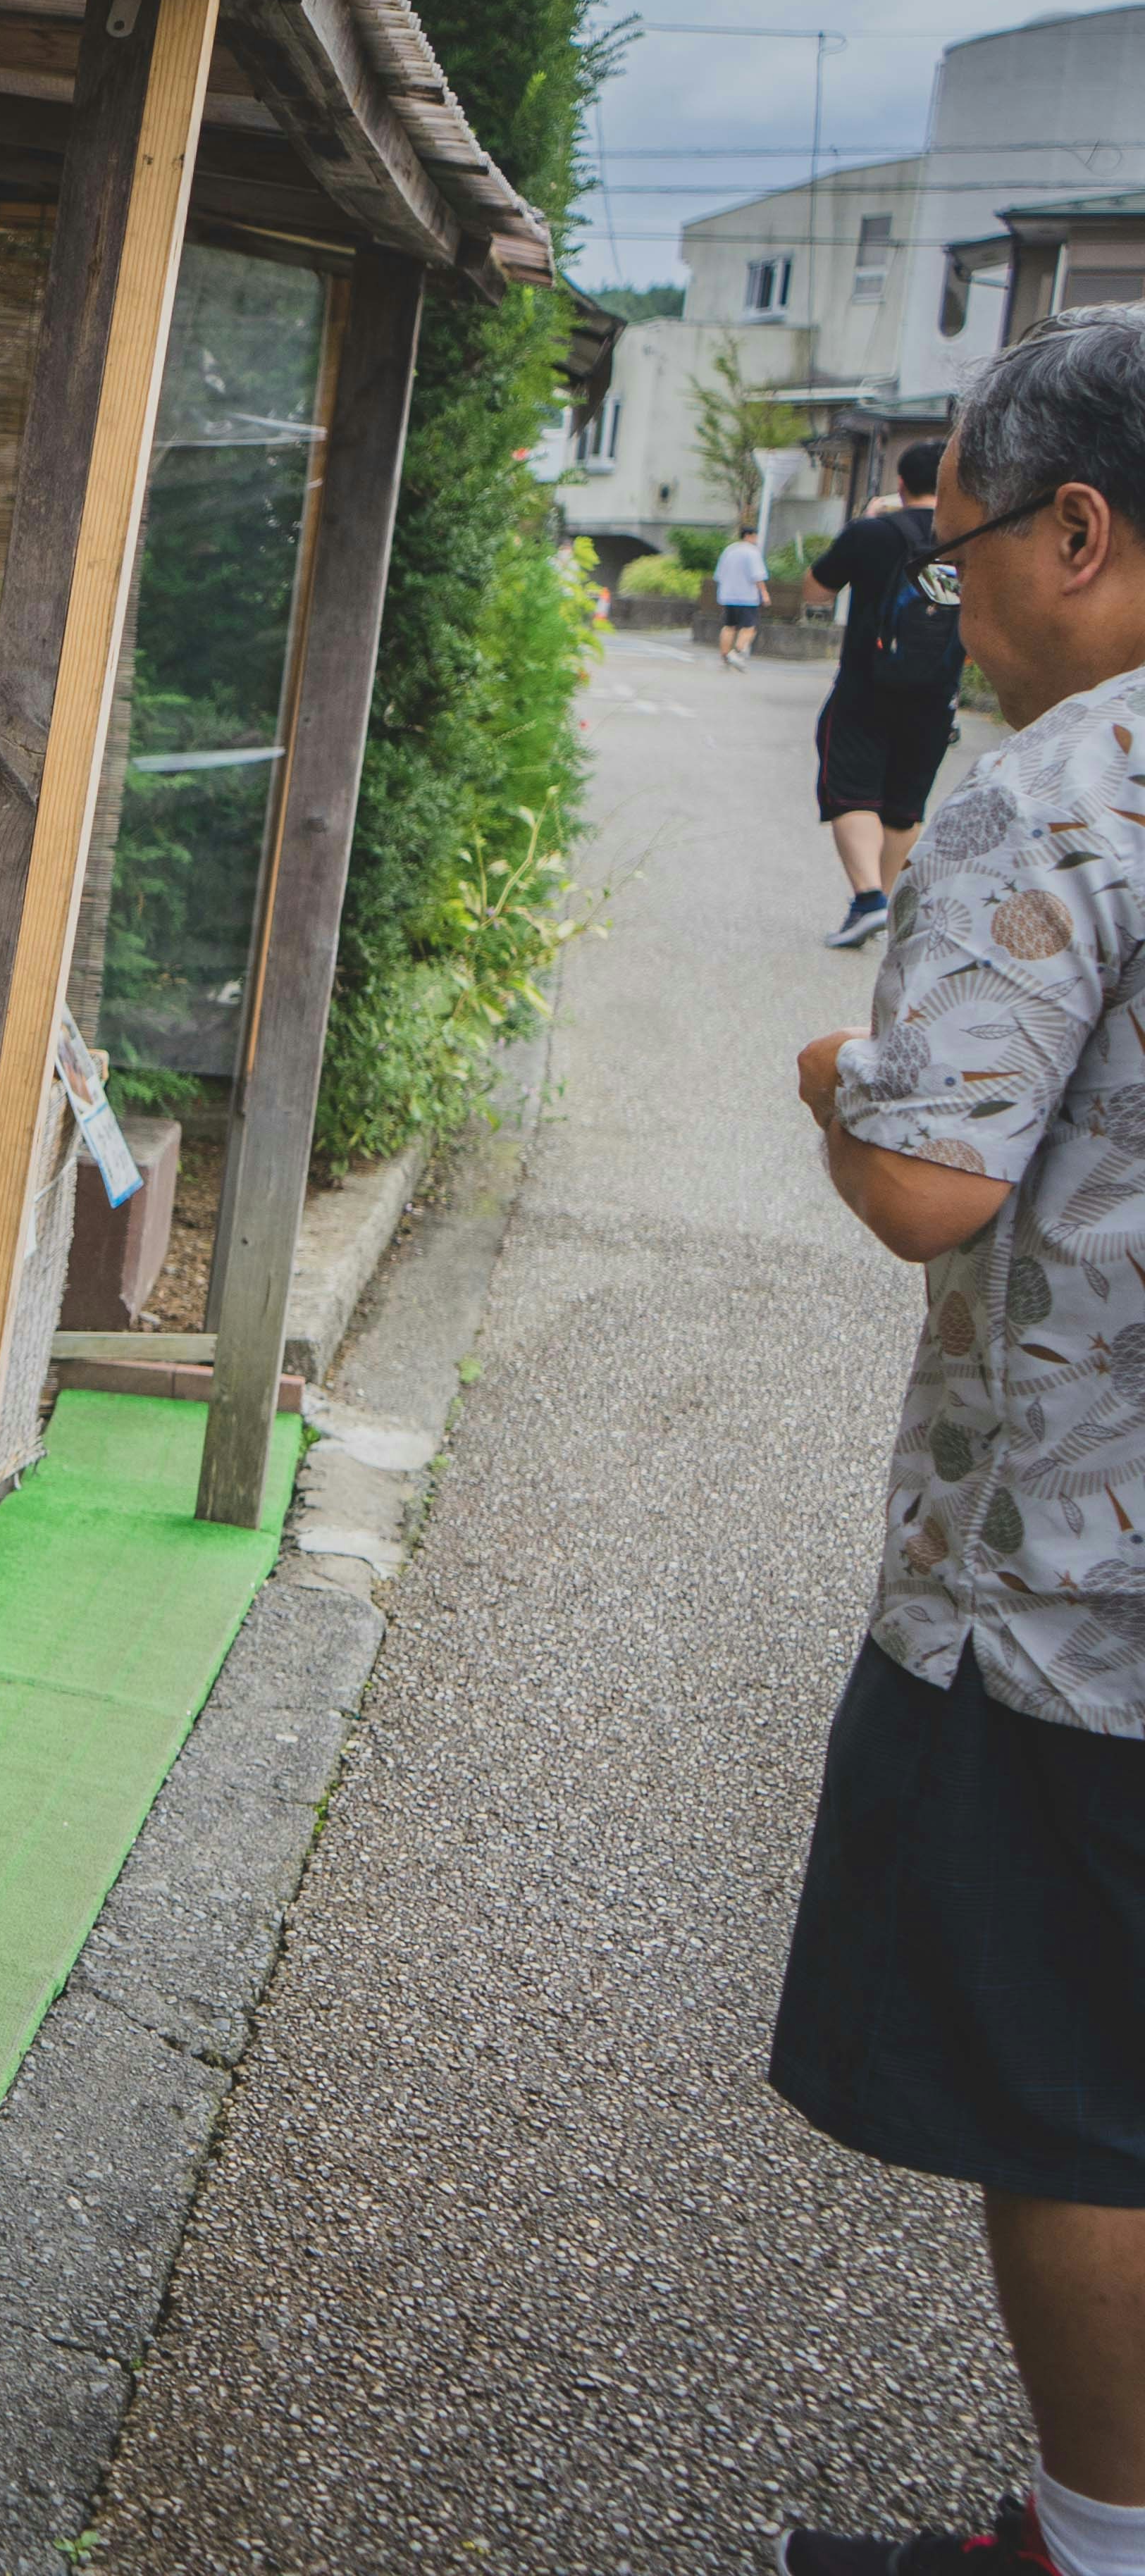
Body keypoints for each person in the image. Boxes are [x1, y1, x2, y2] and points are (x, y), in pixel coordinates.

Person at [774, 306, 1145, 2576]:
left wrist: (837, 1089)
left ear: (1077, 532)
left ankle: (1091, 2546)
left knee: (1074, 2095)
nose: (949, 603)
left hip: (1077, 1594)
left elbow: (930, 1181)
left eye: (959, 549)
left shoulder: (1062, 778)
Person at [806, 440, 974, 950]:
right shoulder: (969, 539)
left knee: (851, 792)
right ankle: (884, 903)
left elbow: (815, 592)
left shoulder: (873, 533)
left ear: (900, 484)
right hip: (936, 694)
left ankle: (868, 899)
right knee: (904, 807)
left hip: (865, 686)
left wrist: (866, 522)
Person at [719, 525, 771, 669]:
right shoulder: (752, 552)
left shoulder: (729, 550)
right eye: (755, 536)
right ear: (748, 536)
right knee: (749, 628)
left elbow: (720, 574)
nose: (756, 539)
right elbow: (758, 576)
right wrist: (764, 594)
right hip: (747, 597)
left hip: (728, 595)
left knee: (729, 626)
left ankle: (725, 656)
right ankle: (737, 652)